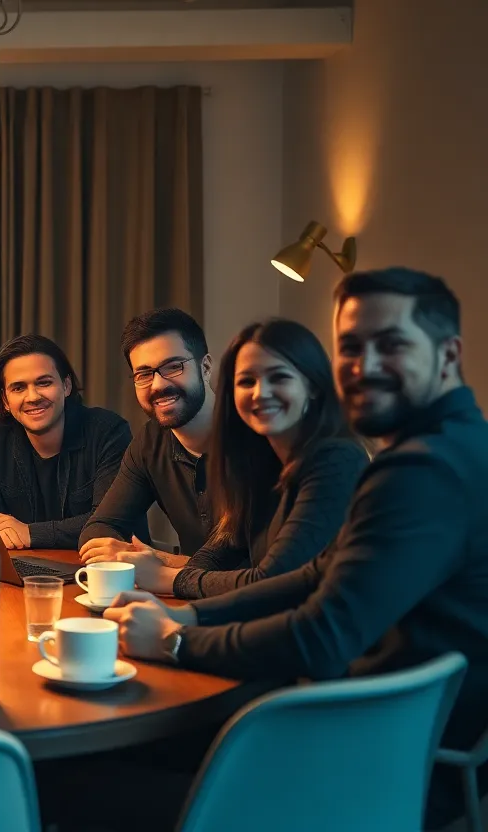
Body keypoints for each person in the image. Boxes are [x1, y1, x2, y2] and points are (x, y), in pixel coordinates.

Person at [106, 268, 488, 829]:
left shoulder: (420, 471)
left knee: (82, 778)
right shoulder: (447, 447)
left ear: (448, 355)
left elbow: (322, 634)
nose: (365, 366)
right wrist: (189, 611)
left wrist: (179, 642)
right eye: (351, 347)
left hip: (372, 758)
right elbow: (315, 574)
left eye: (393, 344)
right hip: (364, 729)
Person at [82, 319, 368, 598]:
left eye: (279, 377)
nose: (260, 393)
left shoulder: (333, 459)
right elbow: (227, 545)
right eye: (246, 381)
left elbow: (273, 582)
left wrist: (167, 577)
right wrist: (166, 584)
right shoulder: (268, 451)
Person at [0, 334, 146, 550]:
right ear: (5, 400)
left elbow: (110, 523)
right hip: (24, 568)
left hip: (100, 571)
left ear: (66, 386)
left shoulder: (108, 432)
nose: (32, 396)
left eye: (44, 383)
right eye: (18, 388)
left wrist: (30, 533)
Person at [77, 308, 216, 567]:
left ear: (205, 367)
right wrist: (128, 554)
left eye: (173, 367)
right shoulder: (149, 443)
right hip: (183, 599)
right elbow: (100, 528)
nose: (158, 385)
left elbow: (268, 571)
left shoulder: (256, 436)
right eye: (143, 374)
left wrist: (162, 561)